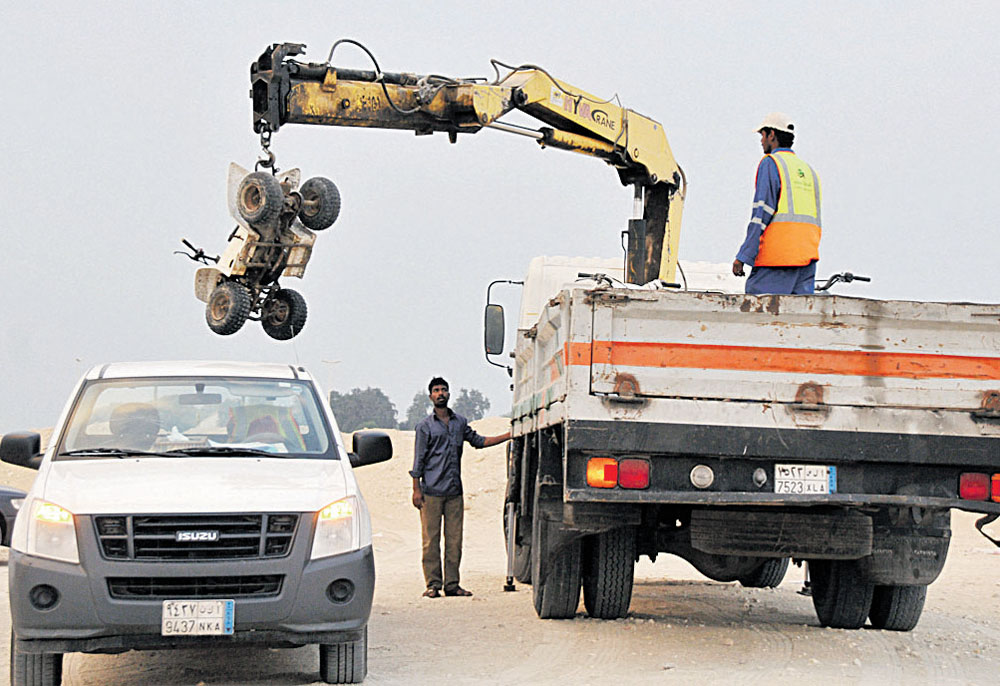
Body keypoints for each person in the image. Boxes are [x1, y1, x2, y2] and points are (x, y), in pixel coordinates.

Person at [410, 377, 510, 598]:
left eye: (444, 390)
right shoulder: (425, 427)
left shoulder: (459, 423)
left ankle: (452, 585)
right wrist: (416, 489)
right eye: (436, 390)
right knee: (430, 541)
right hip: (431, 493)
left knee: (454, 541)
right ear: (430, 397)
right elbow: (418, 461)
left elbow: (479, 441)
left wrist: (507, 435)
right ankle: (433, 585)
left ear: (449, 394)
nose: (440, 393)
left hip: (454, 492)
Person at [733, 112, 823, 295]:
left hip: (776, 261)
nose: (761, 141)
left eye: (762, 135)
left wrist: (743, 256)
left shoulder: (771, 163)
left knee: (759, 316)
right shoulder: (808, 171)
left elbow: (761, 215)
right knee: (797, 320)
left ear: (772, 135)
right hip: (806, 263)